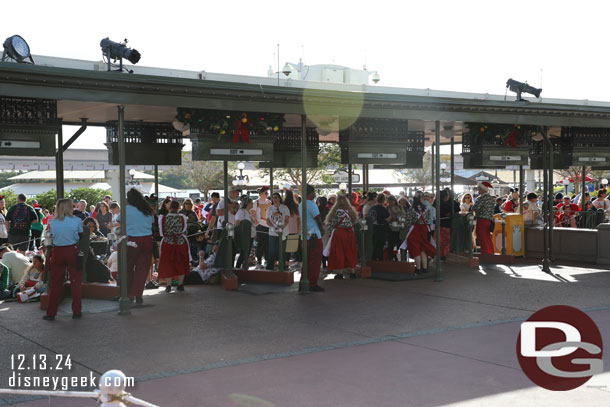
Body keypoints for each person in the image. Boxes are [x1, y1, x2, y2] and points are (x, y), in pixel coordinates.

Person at [45, 198, 84, 320]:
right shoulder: (77, 220)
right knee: (75, 282)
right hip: (72, 250)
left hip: (57, 251)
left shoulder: (52, 222)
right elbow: (80, 236)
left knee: (55, 283)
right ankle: (76, 311)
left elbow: (49, 236)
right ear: (69, 207)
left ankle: (51, 313)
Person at [116, 189, 154, 304]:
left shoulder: (126, 210)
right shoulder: (147, 210)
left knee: (127, 267)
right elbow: (152, 223)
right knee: (142, 269)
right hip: (147, 240)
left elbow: (118, 221)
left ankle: (127, 294)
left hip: (132, 240)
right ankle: (138, 295)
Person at [158, 200, 190, 292]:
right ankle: (180, 284)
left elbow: (162, 233)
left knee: (168, 263)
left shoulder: (163, 218)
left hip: (168, 242)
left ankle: (168, 285)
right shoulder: (182, 217)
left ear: (169, 207)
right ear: (178, 208)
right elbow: (184, 230)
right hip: (180, 242)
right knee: (181, 262)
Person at [324, 195, 358, 278]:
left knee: (339, 253)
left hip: (339, 234)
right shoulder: (350, 212)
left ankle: (340, 272)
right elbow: (354, 222)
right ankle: (352, 272)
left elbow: (330, 224)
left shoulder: (336, 212)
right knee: (350, 252)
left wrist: (330, 232)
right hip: (350, 234)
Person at [300, 185, 325, 292]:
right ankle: (312, 283)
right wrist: (322, 230)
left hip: (305, 236)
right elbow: (318, 219)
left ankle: (303, 281)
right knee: (315, 261)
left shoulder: (301, 204)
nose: (315, 194)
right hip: (314, 235)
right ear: (311, 193)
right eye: (314, 192)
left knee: (306, 260)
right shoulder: (312, 204)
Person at [404, 193, 436, 274]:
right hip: (424, 230)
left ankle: (418, 268)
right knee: (423, 249)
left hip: (415, 230)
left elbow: (408, 222)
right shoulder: (427, 209)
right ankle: (424, 268)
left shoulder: (411, 209)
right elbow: (430, 219)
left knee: (416, 249)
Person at [266, 192, 290, 270]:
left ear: (279, 198)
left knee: (282, 250)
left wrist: (281, 227)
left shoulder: (285, 207)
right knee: (272, 250)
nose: (274, 199)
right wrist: (274, 228)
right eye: (273, 197)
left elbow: (287, 219)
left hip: (283, 232)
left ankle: (282, 266)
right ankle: (270, 266)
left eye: (276, 197)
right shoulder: (270, 208)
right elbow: (267, 221)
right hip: (273, 233)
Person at [472, 182, 495, 254]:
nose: (478, 189)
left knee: (481, 238)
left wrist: (471, 208)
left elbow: (475, 208)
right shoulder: (491, 198)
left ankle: (485, 254)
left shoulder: (481, 198)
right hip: (488, 221)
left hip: (481, 220)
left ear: (483, 189)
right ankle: (491, 253)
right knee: (488, 238)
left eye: (479, 188)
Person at [251, 186, 271, 269]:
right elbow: (253, 212)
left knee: (267, 244)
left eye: (267, 193)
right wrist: (256, 221)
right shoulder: (256, 202)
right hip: (260, 226)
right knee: (260, 244)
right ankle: (259, 261)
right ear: (261, 194)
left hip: (268, 225)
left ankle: (266, 260)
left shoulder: (269, 202)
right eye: (265, 193)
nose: (267, 194)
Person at [438, 188, 459, 260]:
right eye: (446, 196)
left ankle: (446, 254)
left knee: (447, 241)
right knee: (441, 241)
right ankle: (442, 254)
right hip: (441, 225)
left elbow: (457, 211)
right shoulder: (438, 203)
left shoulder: (453, 203)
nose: (447, 197)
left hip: (450, 225)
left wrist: (452, 214)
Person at [235, 196, 256, 269]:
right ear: (247, 203)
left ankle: (244, 267)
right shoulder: (241, 212)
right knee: (243, 253)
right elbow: (237, 223)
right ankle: (238, 267)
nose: (252, 204)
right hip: (244, 236)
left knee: (246, 253)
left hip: (250, 235)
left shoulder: (248, 212)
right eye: (251, 202)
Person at [369, 194, 390, 261]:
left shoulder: (372, 208)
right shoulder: (383, 209)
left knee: (374, 245)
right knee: (380, 245)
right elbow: (387, 219)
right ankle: (380, 260)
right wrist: (392, 216)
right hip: (381, 228)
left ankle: (373, 259)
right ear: (384, 200)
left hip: (373, 228)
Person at [283, 190, 301, 267]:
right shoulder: (296, 206)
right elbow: (298, 219)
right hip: (294, 229)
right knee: (296, 246)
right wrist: (298, 230)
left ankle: (286, 262)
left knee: (286, 248)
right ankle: (298, 262)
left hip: (285, 229)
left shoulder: (283, 205)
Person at [386, 195, 405, 261]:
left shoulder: (400, 207)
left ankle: (400, 257)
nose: (391, 203)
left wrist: (398, 218)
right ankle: (391, 258)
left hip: (399, 228)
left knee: (399, 243)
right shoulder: (387, 208)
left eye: (392, 201)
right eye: (389, 201)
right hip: (391, 228)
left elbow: (403, 215)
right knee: (391, 244)